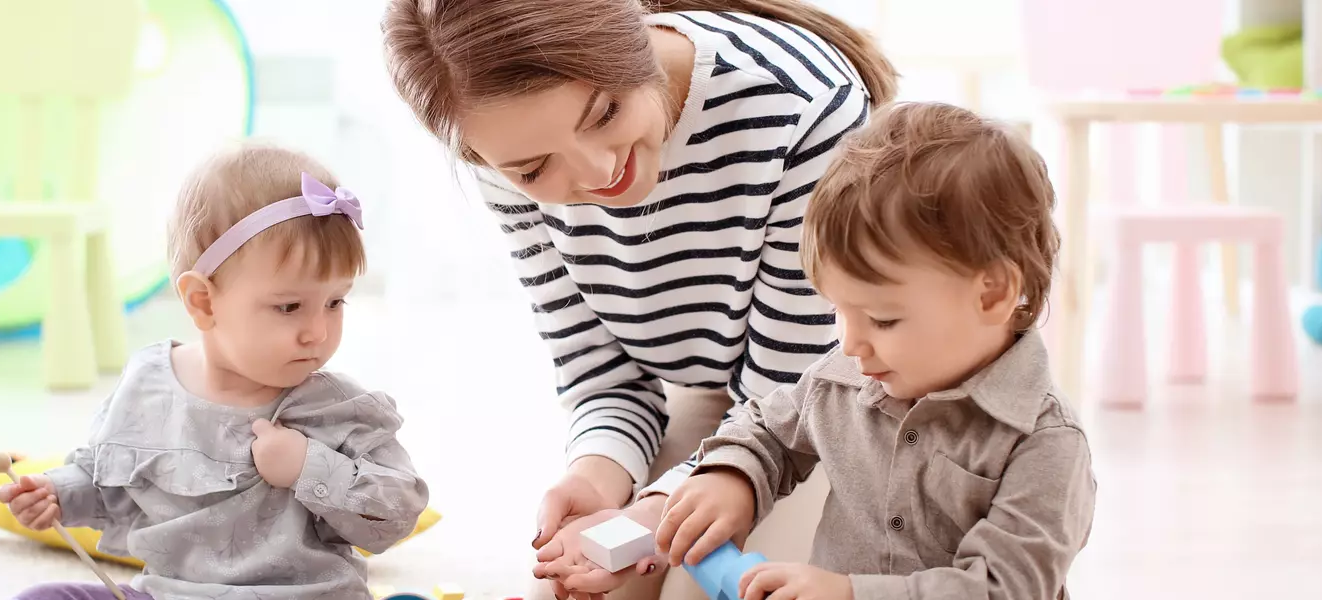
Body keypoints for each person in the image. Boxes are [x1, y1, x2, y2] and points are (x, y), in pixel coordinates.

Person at [382, 1, 896, 598]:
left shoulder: (799, 104)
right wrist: (599, 474)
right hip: (712, 390)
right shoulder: (501, 150)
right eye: (534, 168)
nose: (600, 173)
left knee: (699, 584)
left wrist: (657, 509)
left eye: (604, 113)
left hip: (828, 401)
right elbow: (602, 373)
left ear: (635, 46)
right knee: (571, 584)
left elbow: (789, 394)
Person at [629, 102, 1095, 599]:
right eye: (838, 310)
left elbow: (1005, 588)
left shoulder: (1044, 444)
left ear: (993, 294)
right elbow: (768, 427)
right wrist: (732, 476)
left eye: (882, 319)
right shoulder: (848, 377)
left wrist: (852, 594)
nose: (850, 344)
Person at [0, 145, 431, 600]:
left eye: (335, 302)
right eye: (289, 306)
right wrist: (59, 493)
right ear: (203, 302)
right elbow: (108, 477)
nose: (318, 332)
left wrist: (309, 466)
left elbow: (398, 513)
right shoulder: (150, 385)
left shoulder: (337, 408)